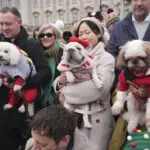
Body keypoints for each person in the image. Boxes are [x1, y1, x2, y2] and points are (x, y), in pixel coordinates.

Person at [54, 17, 115, 150]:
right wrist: (60, 83)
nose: (83, 36)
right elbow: (59, 79)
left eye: (87, 32)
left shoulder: (106, 58)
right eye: (80, 34)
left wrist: (66, 92)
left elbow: (100, 88)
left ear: (98, 33)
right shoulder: (73, 54)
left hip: (97, 118)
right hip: (75, 117)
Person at [0, 7, 51, 150]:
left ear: (19, 22)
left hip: (21, 111)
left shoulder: (31, 43)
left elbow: (45, 71)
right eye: (1, 24)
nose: (4, 28)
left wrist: (24, 85)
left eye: (8, 24)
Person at [108, 0, 150, 149]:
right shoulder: (119, 27)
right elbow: (111, 58)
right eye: (134, 0)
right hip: (127, 91)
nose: (139, 3)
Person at [37, 24, 63, 106]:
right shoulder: (36, 53)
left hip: (58, 101)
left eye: (49, 35)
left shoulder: (63, 52)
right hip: (39, 101)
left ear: (56, 37)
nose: (45, 37)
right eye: (42, 35)